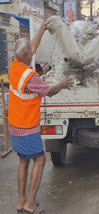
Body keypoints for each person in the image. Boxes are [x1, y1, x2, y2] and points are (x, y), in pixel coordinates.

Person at [8, 20, 74, 214]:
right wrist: (62, 84)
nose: (33, 50)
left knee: (23, 161)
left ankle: (21, 201)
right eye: (30, 50)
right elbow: (49, 91)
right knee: (40, 160)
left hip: (15, 125)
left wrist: (43, 29)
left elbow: (31, 47)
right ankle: (30, 204)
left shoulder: (15, 66)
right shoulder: (30, 78)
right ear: (27, 55)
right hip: (27, 127)